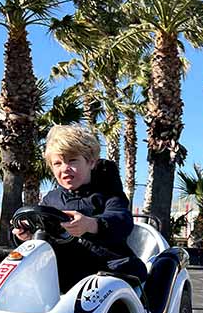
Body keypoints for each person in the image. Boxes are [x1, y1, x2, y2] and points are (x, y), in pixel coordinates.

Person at [11, 124, 148, 292]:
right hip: (67, 274)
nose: (65, 168)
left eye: (72, 160)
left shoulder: (109, 194)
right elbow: (41, 233)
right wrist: (25, 234)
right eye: (58, 163)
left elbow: (122, 221)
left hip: (111, 271)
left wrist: (91, 224)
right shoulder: (50, 200)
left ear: (90, 162)